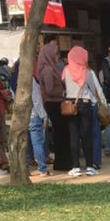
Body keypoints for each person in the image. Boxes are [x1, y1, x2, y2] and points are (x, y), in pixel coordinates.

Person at [61, 46, 105, 177]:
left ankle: (75, 167)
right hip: (85, 103)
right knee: (87, 135)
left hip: (70, 104)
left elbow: (64, 85)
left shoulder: (65, 70)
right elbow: (93, 88)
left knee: (73, 136)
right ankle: (90, 166)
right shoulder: (87, 72)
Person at [37, 39, 71, 172]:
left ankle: (63, 161)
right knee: (61, 133)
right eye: (55, 54)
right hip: (54, 104)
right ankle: (63, 162)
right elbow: (50, 90)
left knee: (61, 133)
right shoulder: (48, 69)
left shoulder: (49, 67)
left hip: (55, 103)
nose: (57, 57)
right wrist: (63, 92)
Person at [29, 76, 51, 176]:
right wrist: (44, 116)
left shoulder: (15, 78)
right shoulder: (31, 80)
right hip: (34, 115)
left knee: (24, 143)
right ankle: (42, 169)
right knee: (37, 143)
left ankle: (24, 169)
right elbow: (36, 100)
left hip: (22, 116)